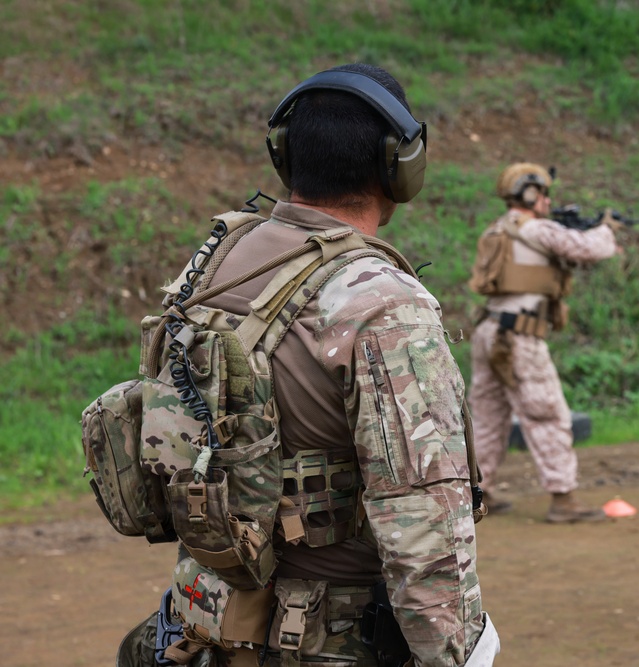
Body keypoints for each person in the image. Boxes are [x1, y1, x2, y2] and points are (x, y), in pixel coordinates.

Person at [148, 64, 498, 667]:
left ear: (283, 156)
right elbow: (424, 522)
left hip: (204, 624)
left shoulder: (216, 264)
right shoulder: (382, 301)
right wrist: (457, 655)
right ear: (401, 164)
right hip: (329, 640)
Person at [467, 163, 620, 523]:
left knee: (488, 417)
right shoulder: (536, 228)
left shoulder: (497, 229)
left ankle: (479, 490)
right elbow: (588, 248)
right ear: (530, 194)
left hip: (489, 330)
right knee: (546, 414)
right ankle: (563, 498)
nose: (548, 201)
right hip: (519, 335)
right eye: (544, 193)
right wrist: (606, 230)